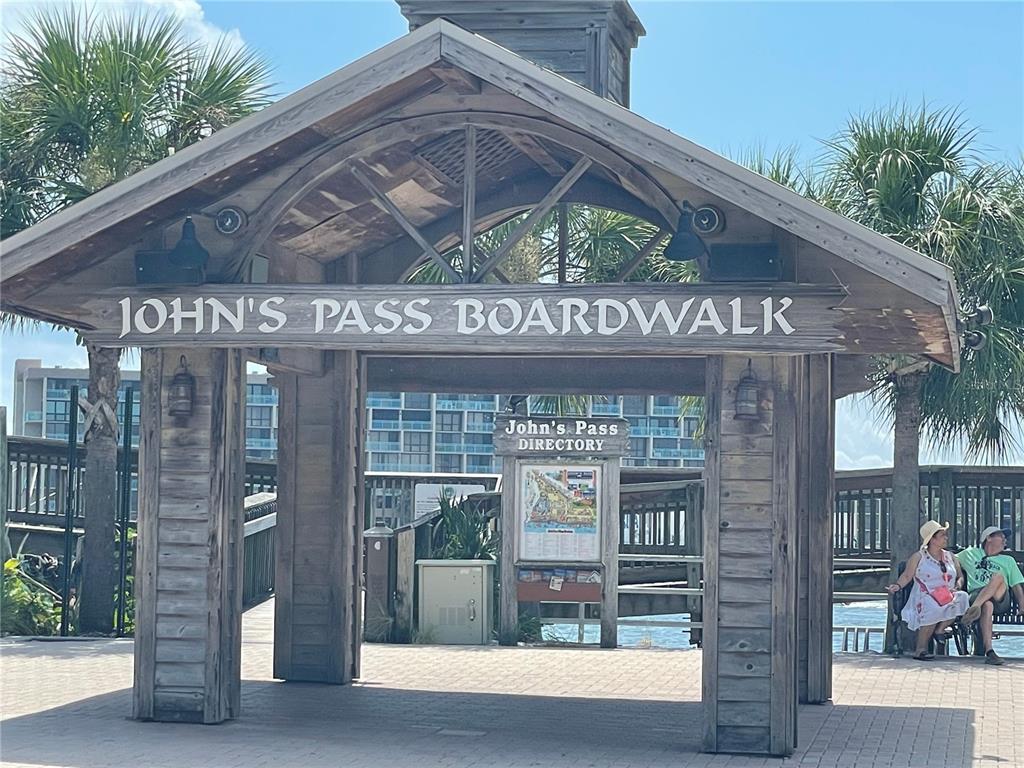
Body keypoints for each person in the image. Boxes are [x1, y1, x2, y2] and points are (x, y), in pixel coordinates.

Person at [887, 520, 969, 660]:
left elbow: (959, 575)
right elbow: (907, 575)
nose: (946, 538)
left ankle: (939, 629)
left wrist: (958, 585)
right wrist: (898, 585)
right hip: (926, 593)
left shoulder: (950, 556)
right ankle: (921, 649)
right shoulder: (919, 557)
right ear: (932, 539)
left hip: (948, 593)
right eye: (942, 535)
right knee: (931, 606)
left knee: (962, 598)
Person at [955, 526, 1024, 665]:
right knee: (987, 605)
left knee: (998, 578)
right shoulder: (970, 553)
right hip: (978, 595)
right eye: (1001, 537)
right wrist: (959, 574)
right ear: (988, 538)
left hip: (1000, 597)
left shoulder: (1008, 560)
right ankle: (990, 651)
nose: (1005, 540)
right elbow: (948, 557)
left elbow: (1016, 586)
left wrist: (1022, 606)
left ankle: (973, 610)